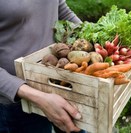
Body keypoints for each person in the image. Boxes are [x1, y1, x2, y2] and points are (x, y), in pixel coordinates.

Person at [0, 0, 85, 133]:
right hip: (16, 104)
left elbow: (60, 9)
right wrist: (39, 97)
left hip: (59, 81)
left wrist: (94, 37)